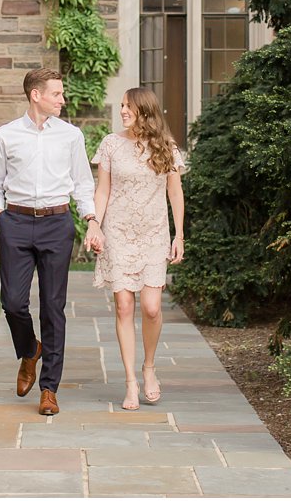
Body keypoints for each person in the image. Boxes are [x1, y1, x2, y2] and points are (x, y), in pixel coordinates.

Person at [0, 67, 102, 416]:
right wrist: (0, 217)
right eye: (57, 94)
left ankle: (49, 389)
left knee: (53, 307)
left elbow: (82, 183)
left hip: (57, 224)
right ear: (36, 95)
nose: (62, 100)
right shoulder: (6, 135)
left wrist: (90, 218)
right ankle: (29, 350)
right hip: (16, 223)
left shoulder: (70, 136)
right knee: (13, 303)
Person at [90, 86, 186, 411]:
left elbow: (175, 193)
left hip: (154, 233)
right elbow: (102, 190)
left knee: (152, 307)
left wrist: (179, 235)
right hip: (117, 231)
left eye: (128, 107)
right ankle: (131, 381)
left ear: (145, 110)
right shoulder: (111, 145)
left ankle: (149, 367)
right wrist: (94, 223)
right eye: (121, 106)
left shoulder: (165, 147)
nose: (123, 112)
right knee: (123, 306)